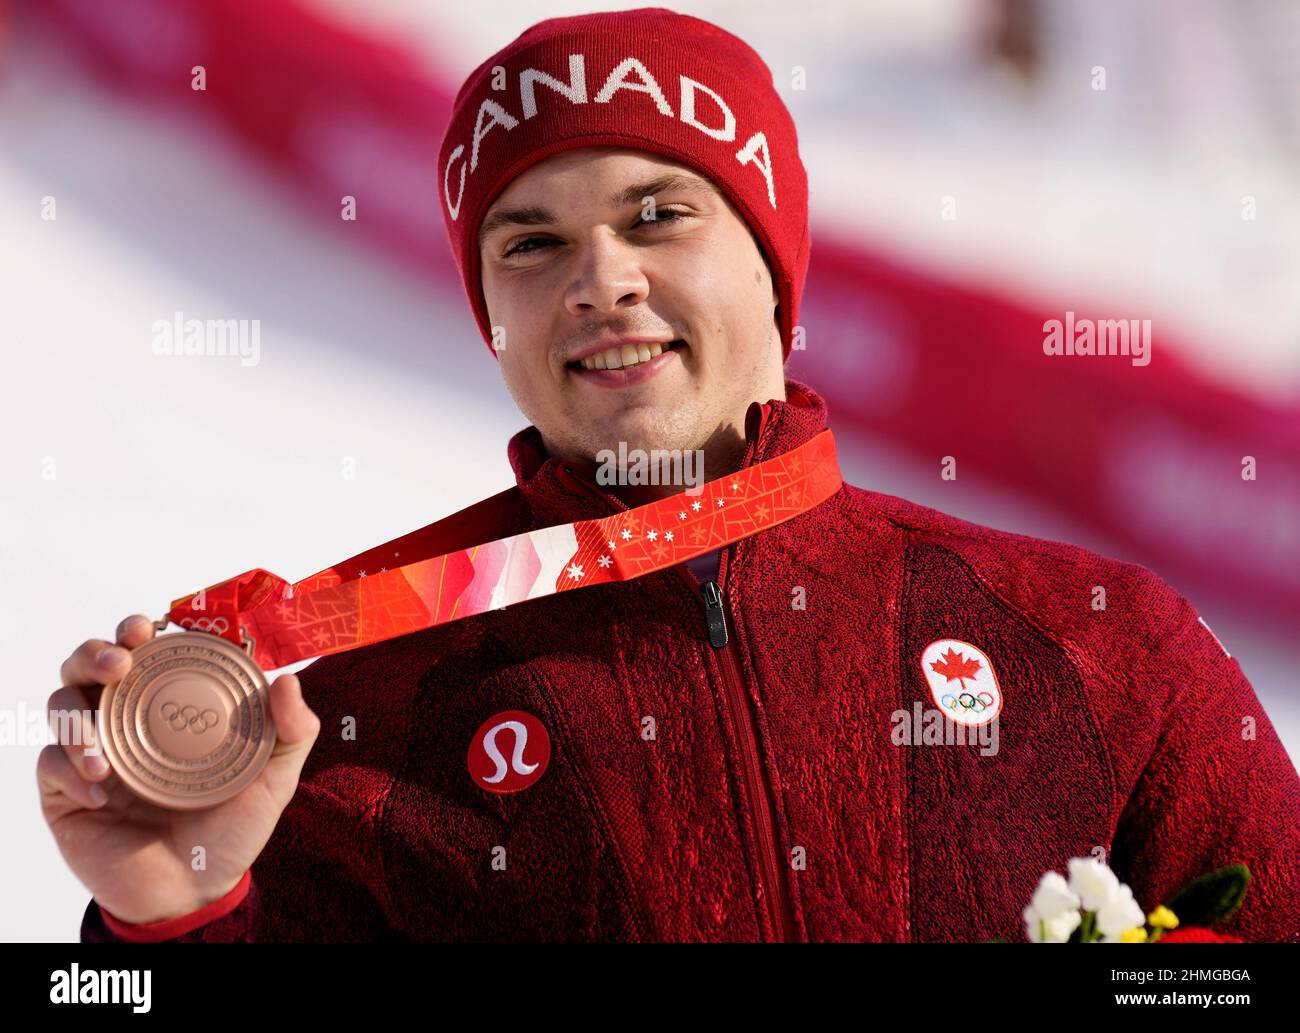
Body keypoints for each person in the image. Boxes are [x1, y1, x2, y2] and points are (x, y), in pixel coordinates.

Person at [43, 7, 1300, 943]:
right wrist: (173, 920)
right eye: (530, 242)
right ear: (493, 318)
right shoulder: (358, 722)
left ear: (773, 266)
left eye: (656, 216)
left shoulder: (1096, 639)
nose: (600, 279)